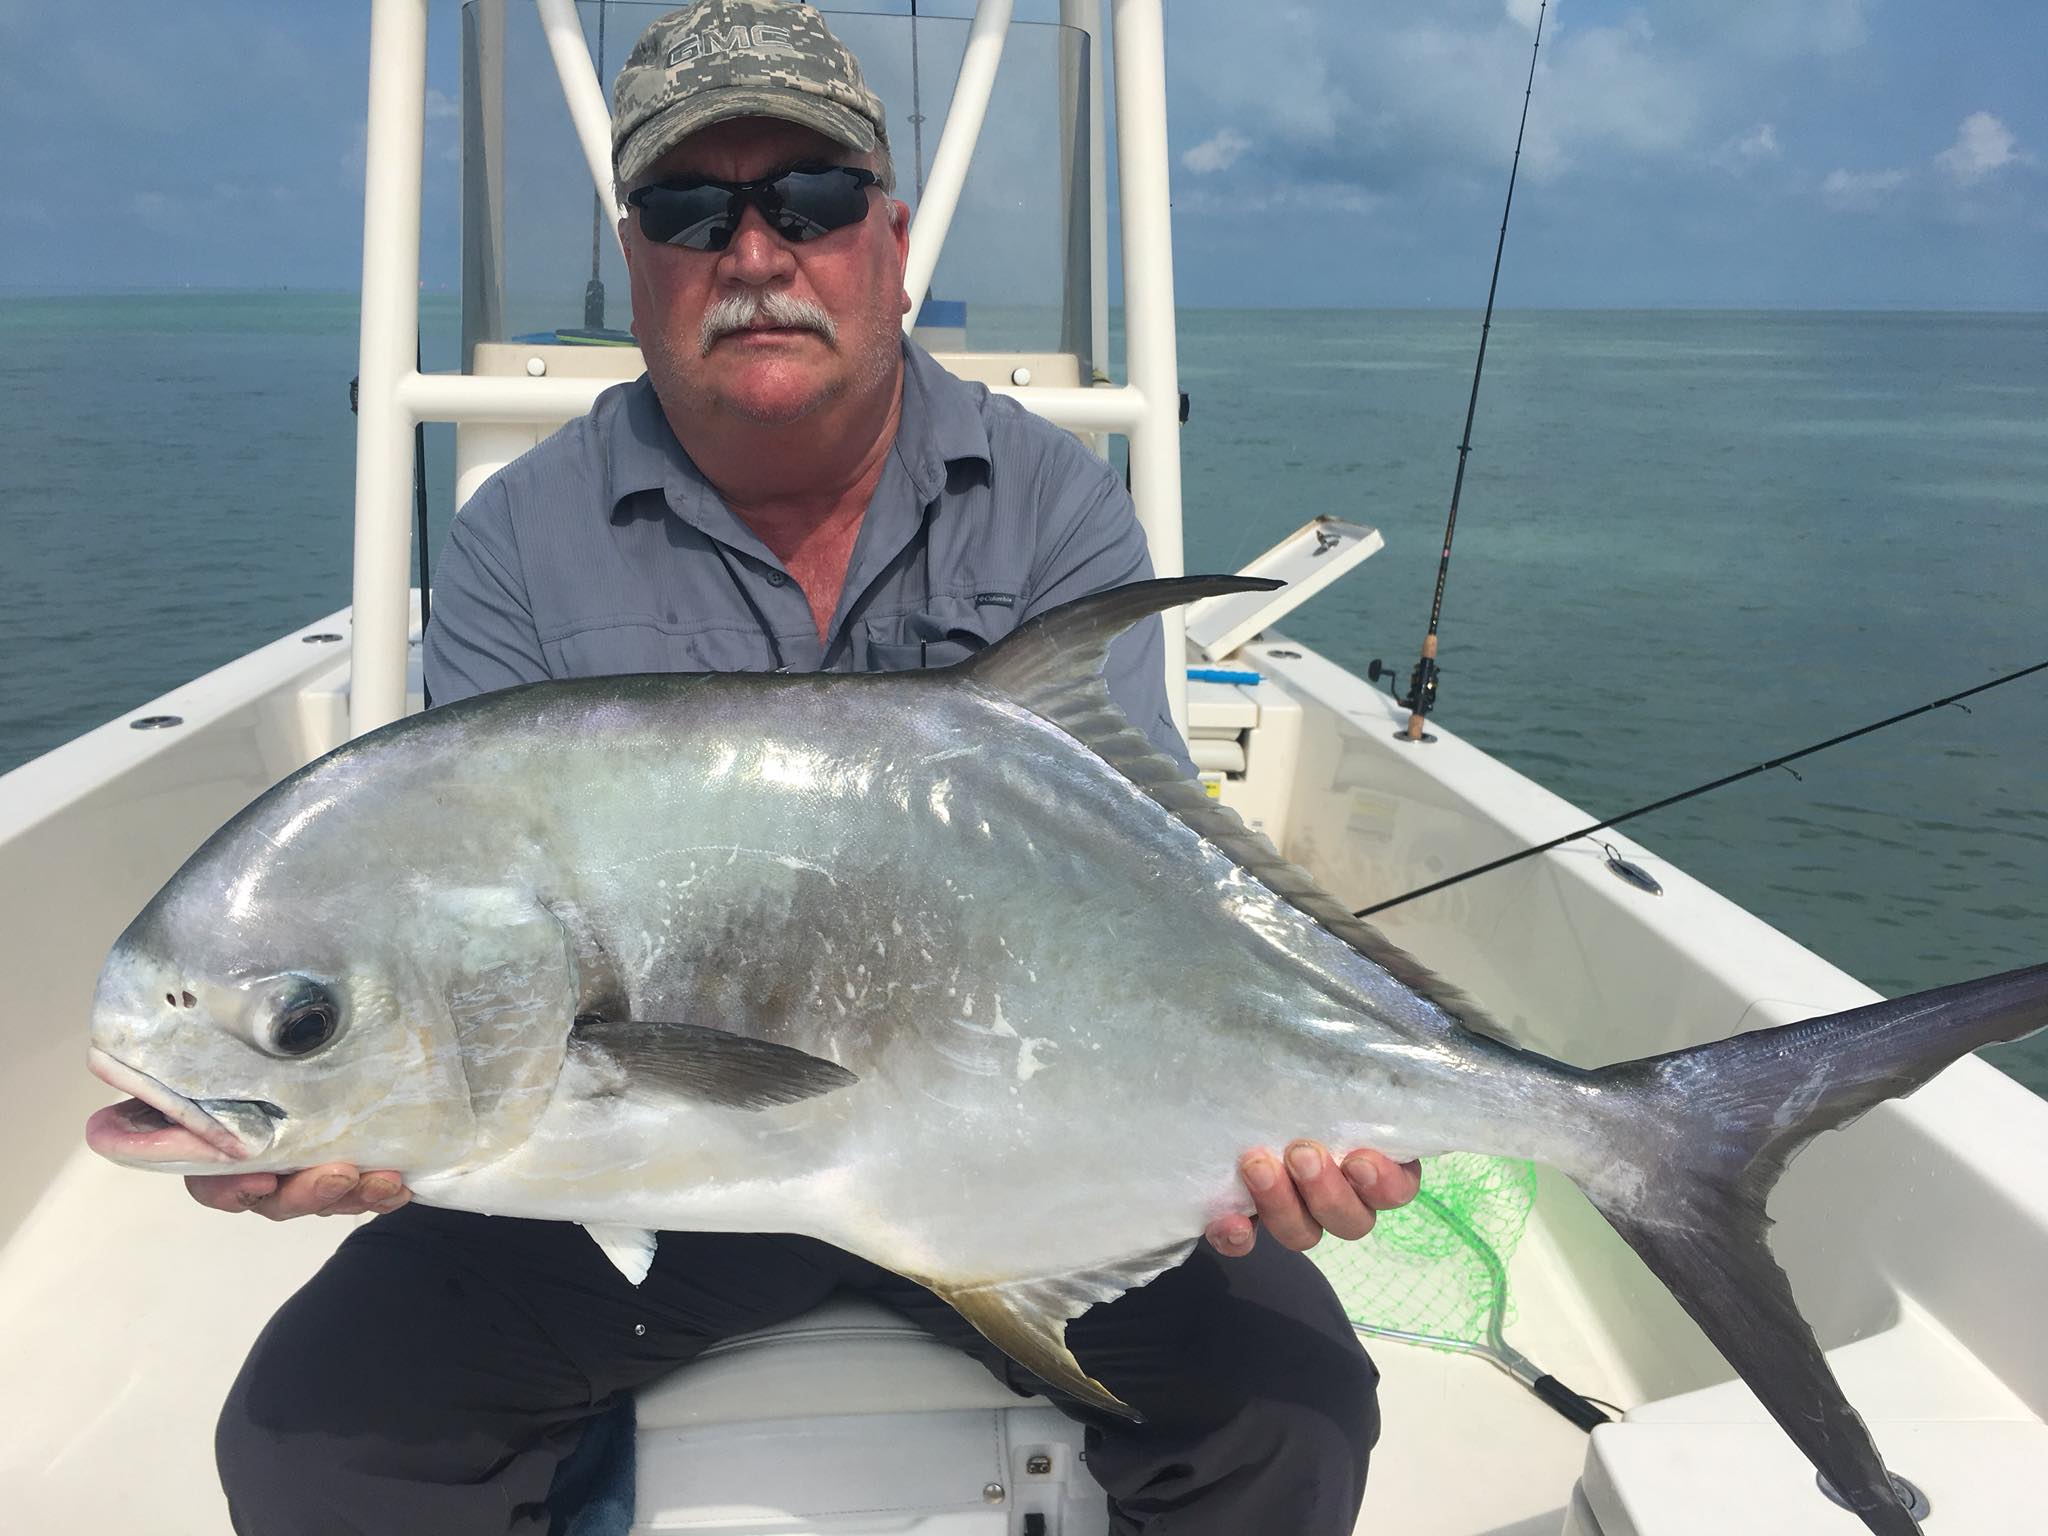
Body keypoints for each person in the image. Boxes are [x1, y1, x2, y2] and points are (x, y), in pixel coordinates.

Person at [200, 4, 1420, 1531]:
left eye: (815, 201)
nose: (757, 252)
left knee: (1291, 1417)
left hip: (1011, 1146)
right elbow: (463, 942)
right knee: (316, 1444)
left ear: (890, 240)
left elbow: (1157, 885)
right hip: (631, 1186)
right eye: (691, 211)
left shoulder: (1048, 504)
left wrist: (1290, 1100)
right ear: (637, 260)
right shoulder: (521, 538)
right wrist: (350, 1111)